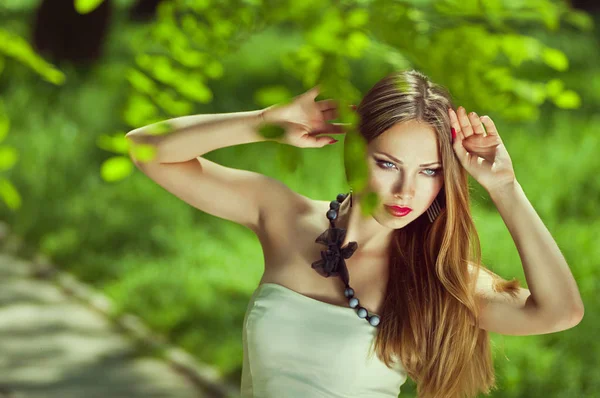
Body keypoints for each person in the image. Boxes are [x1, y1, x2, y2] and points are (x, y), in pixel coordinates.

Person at [125, 69, 584, 398]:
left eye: (429, 171)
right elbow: (145, 149)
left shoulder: (438, 276)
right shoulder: (284, 218)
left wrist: (505, 187)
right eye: (387, 164)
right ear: (354, 152)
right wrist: (261, 121)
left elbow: (561, 313)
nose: (407, 189)